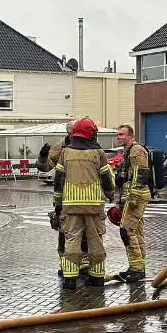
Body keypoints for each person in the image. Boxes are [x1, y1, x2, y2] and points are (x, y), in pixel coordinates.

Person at [53, 117, 115, 287]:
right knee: (95, 240)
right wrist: (110, 194)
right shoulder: (98, 153)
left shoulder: (65, 152)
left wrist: (58, 201)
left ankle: (70, 279)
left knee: (72, 240)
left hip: (71, 205)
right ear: (92, 134)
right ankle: (96, 277)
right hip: (94, 206)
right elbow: (106, 178)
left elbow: (58, 179)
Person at [37, 122, 89, 278]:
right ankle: (65, 264)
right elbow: (45, 167)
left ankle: (84, 264)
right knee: (63, 231)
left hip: (85, 195)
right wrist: (43, 156)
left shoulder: (89, 145)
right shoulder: (60, 147)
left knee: (85, 232)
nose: (76, 135)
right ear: (69, 133)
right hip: (65, 195)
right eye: (73, 132)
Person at [113, 124, 152, 283]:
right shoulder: (128, 150)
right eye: (118, 134)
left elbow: (140, 173)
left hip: (136, 196)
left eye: (122, 134)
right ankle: (138, 267)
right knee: (136, 232)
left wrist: (133, 197)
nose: (119, 137)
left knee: (127, 231)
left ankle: (136, 268)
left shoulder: (136, 150)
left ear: (131, 135)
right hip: (131, 195)